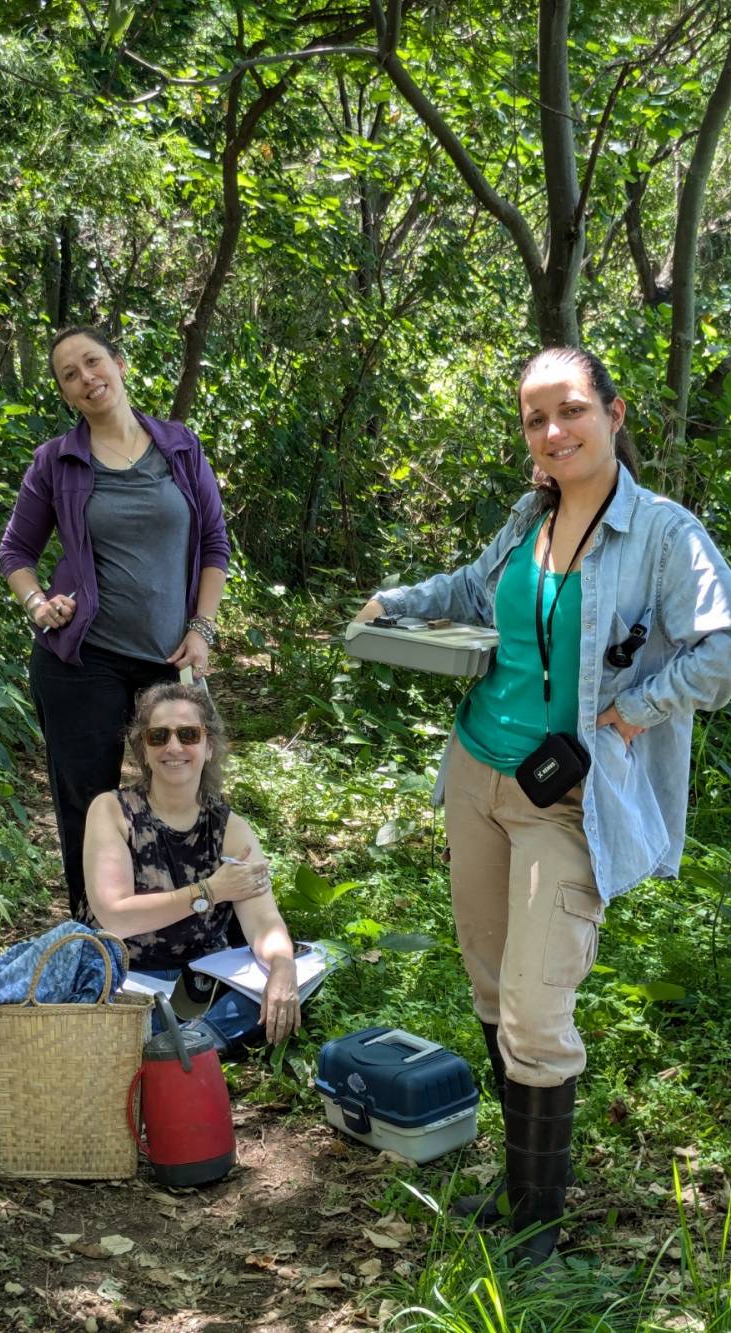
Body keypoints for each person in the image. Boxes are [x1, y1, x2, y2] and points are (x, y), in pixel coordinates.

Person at [355, 346, 731, 1267]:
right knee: (491, 982)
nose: (554, 431)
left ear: (613, 412)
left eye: (570, 410)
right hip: (478, 773)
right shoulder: (532, 514)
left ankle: (539, 1231)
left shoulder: (662, 532)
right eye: (535, 419)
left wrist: (630, 712)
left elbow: (721, 649)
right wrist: (392, 603)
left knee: (534, 1005)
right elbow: (471, 590)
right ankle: (518, 1189)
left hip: (567, 798)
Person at [0, 326, 230, 918]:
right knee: (88, 802)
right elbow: (15, 552)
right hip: (82, 660)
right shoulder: (56, 461)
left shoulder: (180, 448)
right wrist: (38, 605)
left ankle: (186, 924)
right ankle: (93, 932)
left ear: (119, 364)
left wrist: (202, 628)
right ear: (65, 393)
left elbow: (213, 543)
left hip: (167, 660)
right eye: (69, 375)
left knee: (181, 789)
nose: (86, 378)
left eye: (93, 362)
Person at [83, 681, 301, 1049]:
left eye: (188, 734)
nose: (173, 747)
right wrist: (210, 891)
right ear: (143, 748)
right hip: (125, 982)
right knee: (130, 1019)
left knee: (290, 980)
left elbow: (263, 921)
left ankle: (176, 1045)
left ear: (208, 745)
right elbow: (116, 917)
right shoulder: (113, 810)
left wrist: (283, 967)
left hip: (203, 986)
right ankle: (192, 1045)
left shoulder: (230, 828)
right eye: (158, 736)